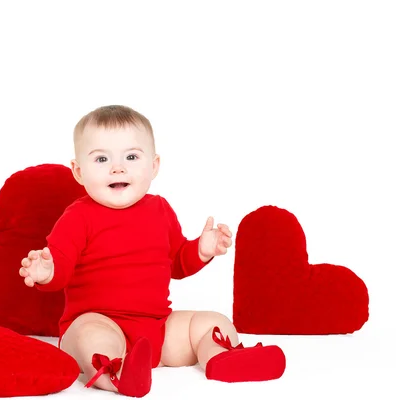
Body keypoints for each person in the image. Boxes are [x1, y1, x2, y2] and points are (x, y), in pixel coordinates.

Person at [19, 105, 285, 397]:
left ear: (154, 166)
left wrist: (201, 250)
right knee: (90, 334)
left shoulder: (160, 210)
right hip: (98, 320)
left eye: (131, 157)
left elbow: (177, 264)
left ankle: (221, 358)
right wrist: (47, 271)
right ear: (79, 172)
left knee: (211, 321)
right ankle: (117, 374)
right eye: (102, 159)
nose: (117, 168)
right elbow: (62, 266)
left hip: (156, 330)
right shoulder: (77, 217)